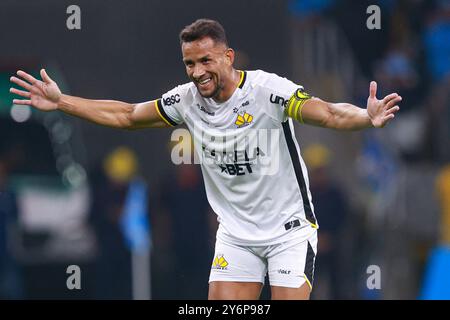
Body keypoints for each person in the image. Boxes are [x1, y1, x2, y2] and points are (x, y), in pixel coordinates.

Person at [9, 19, 401, 300]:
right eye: (190, 64)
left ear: (228, 57)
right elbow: (127, 115)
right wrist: (62, 102)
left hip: (288, 232)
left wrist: (366, 117)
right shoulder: (185, 100)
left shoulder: (269, 91)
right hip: (236, 237)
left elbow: (329, 113)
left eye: (206, 61)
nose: (197, 72)